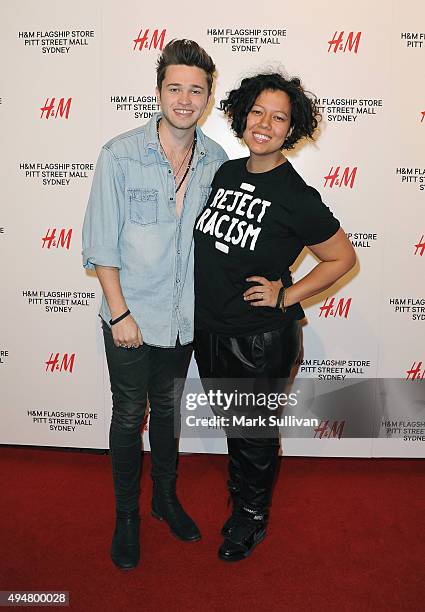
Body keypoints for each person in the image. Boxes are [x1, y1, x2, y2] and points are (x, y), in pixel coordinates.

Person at [193, 72, 356, 561]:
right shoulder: (226, 173)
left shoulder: (296, 196)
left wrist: (285, 296)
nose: (265, 123)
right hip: (212, 328)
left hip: (259, 339)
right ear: (243, 115)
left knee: (255, 433)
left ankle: (252, 517)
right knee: (236, 426)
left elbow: (342, 258)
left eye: (279, 117)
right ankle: (244, 497)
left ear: (292, 129)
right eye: (257, 112)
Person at [82, 39, 227, 570]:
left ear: (208, 97)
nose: (185, 99)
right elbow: (100, 243)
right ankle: (127, 515)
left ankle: (165, 499)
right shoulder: (118, 154)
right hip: (129, 318)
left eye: (196, 89)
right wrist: (119, 312)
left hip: (183, 319)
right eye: (175, 88)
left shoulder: (217, 160)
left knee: (166, 411)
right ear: (158, 92)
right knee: (128, 415)